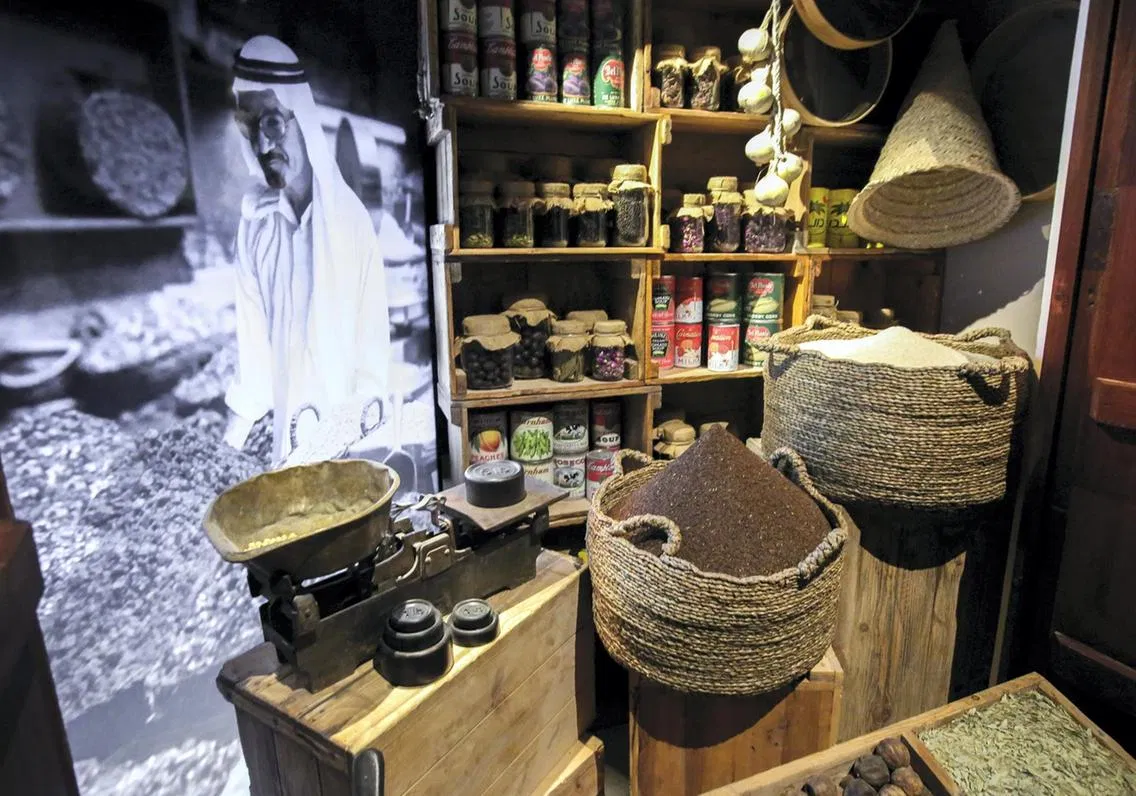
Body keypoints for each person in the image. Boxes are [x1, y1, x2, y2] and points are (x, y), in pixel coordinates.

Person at [222, 36, 391, 464]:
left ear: (303, 120)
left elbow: (372, 375)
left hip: (349, 460)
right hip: (285, 460)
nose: (263, 146)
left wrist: (336, 454)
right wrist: (224, 453)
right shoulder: (255, 228)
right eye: (249, 127)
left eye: (273, 123)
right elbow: (254, 362)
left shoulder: (350, 225)